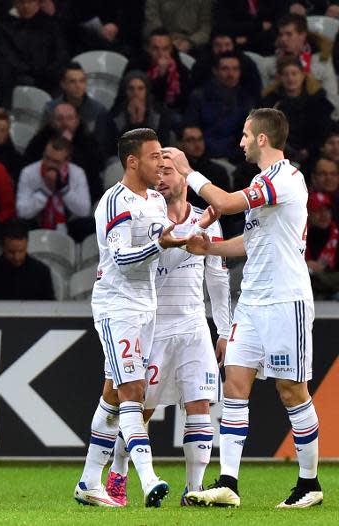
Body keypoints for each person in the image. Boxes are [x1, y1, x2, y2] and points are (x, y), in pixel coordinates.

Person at [163, 107, 323, 508]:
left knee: (292, 391)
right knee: (234, 387)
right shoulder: (261, 181)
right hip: (252, 300)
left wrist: (190, 172)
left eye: (246, 135)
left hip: (286, 299)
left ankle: (309, 484)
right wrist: (210, 248)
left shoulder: (286, 178)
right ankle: (229, 483)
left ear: (263, 139)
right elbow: (251, 243)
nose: (241, 142)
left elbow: (228, 204)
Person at [74, 128, 193, 508]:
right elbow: (123, 260)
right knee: (133, 393)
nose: (162, 162)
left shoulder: (157, 200)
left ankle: (88, 483)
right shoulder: (114, 202)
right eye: (155, 156)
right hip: (117, 306)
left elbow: (162, 251)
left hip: (147, 307)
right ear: (133, 161)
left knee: (112, 394)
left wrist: (190, 238)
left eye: (163, 156)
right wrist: (160, 243)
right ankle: (146, 478)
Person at [104, 155, 231, 507]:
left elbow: (218, 278)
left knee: (200, 403)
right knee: (140, 408)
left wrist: (223, 329)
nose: (160, 178)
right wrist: (195, 231)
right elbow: (155, 259)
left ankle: (194, 489)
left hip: (193, 324)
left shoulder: (209, 218)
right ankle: (118, 475)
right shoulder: (148, 217)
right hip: (153, 324)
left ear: (184, 178)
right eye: (156, 171)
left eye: (168, 171)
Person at [16, 135, 93, 241]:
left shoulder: (77, 173)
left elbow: (84, 211)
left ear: (67, 161)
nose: (49, 164)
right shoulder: (29, 172)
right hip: (37, 222)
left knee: (89, 225)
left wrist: (64, 190)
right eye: (47, 158)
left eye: (56, 162)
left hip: (68, 224)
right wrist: (45, 191)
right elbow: (21, 212)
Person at [0, 221, 55, 300]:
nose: (17, 257)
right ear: (3, 247)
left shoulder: (41, 272)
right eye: (11, 252)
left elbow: (49, 306)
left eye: (21, 251)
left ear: (27, 245)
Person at [305, 190, 339, 299]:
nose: (324, 215)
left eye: (327, 210)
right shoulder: (297, 238)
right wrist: (304, 265)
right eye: (318, 211)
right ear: (308, 213)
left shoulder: (336, 235)